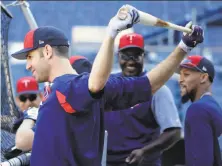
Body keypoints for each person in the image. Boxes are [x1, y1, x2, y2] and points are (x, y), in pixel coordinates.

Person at [11, 5, 203, 166]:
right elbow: (148, 84)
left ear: (47, 51)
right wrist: (183, 47)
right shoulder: (63, 90)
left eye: (30, 56)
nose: (27, 65)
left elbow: (94, 84)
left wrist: (111, 33)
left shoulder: (67, 86)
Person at [105, 33, 182, 166]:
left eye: (136, 55)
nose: (131, 61)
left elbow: (174, 132)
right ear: (118, 57)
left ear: (143, 57)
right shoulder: (110, 84)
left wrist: (145, 151)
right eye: (125, 56)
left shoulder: (157, 88)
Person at [178, 55, 222, 166]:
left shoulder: (198, 109)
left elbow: (201, 162)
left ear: (203, 78)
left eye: (186, 75)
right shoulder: (212, 105)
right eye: (180, 75)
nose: (180, 80)